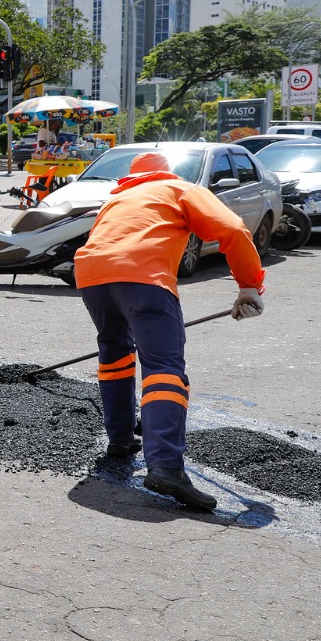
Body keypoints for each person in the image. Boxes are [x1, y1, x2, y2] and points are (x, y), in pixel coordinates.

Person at [73, 150, 265, 512]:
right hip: (143, 278)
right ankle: (166, 466)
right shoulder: (179, 190)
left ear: (132, 175)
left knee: (114, 353)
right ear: (167, 172)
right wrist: (250, 285)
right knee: (163, 368)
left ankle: (120, 438)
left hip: (91, 276)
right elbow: (233, 229)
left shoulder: (117, 198)